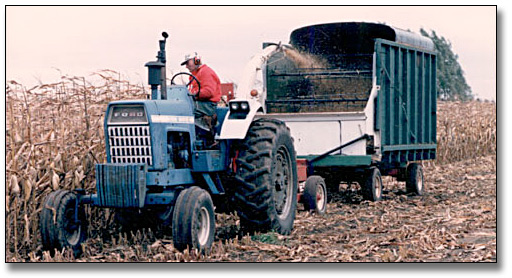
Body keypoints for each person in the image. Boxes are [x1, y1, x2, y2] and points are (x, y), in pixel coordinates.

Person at [181, 52, 222, 140]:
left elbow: (209, 92)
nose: (186, 66)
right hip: (199, 103)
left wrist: (193, 95)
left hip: (208, 105)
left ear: (196, 60)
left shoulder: (206, 72)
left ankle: (205, 135)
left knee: (185, 110)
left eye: (188, 63)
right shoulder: (193, 75)